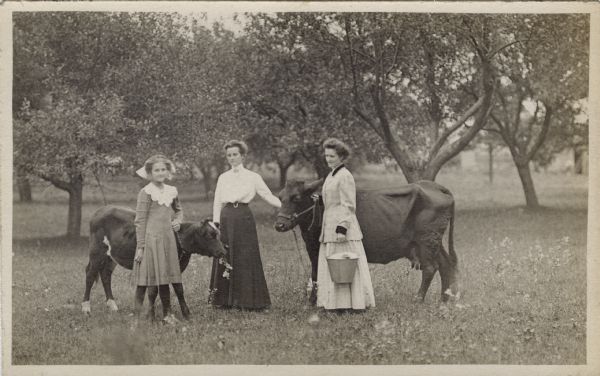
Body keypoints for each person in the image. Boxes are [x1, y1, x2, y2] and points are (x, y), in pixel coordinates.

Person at [209, 140, 281, 310]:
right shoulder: (223, 177)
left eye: (235, 154)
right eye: (229, 155)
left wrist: (284, 206)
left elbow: (267, 195)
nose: (232, 158)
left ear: (243, 156)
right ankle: (224, 300)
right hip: (227, 217)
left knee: (245, 255)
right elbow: (217, 201)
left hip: (243, 218)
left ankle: (249, 301)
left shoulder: (253, 177)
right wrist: (216, 223)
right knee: (224, 254)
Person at [316, 138, 375, 312]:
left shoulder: (345, 176)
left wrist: (342, 228)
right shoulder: (332, 174)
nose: (328, 159)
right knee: (334, 266)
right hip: (329, 225)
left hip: (343, 228)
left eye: (332, 156)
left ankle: (355, 303)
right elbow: (332, 199)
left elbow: (348, 205)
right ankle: (335, 303)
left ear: (341, 157)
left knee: (346, 265)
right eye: (326, 156)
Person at [132, 154, 184, 324]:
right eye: (156, 170)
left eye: (163, 169)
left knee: (165, 277)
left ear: (167, 171)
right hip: (151, 241)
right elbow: (140, 221)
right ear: (149, 173)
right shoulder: (146, 192)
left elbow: (178, 210)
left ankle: (168, 315)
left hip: (168, 239)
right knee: (144, 280)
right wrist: (141, 246)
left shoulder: (172, 191)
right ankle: (138, 317)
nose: (160, 173)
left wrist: (177, 221)